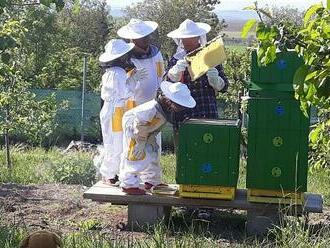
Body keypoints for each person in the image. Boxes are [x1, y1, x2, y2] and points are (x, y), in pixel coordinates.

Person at [119, 81, 196, 195]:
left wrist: (150, 138)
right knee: (137, 154)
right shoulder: (150, 108)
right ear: (170, 100)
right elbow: (139, 124)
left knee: (153, 152)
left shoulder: (164, 109)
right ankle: (128, 184)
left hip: (146, 130)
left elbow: (153, 126)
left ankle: (152, 181)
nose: (180, 108)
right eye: (179, 105)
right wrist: (140, 142)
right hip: (134, 126)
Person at [98, 39, 146, 185]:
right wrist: (133, 79)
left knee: (115, 142)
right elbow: (125, 93)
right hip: (115, 111)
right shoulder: (117, 72)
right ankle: (109, 175)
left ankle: (113, 173)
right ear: (120, 57)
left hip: (114, 110)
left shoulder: (110, 72)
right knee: (115, 143)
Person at [166, 19, 229, 124]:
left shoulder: (210, 57)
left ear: (198, 38)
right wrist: (172, 74)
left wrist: (216, 80)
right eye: (185, 38)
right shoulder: (176, 59)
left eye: (191, 37)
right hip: (183, 116)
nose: (188, 41)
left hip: (207, 112)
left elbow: (225, 86)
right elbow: (165, 85)